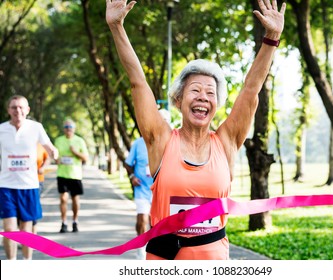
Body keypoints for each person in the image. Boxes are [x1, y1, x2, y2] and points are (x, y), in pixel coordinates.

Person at [106, 0, 285, 260]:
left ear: (216, 104)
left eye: (210, 93)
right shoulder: (161, 140)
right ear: (178, 100)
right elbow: (137, 82)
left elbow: (251, 90)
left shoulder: (226, 142)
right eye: (195, 90)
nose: (203, 97)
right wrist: (116, 27)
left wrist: (271, 39)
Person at [0, 95, 58, 260]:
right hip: (6, 186)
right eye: (13, 107)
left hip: (29, 185)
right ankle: (11, 265)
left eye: (20, 107)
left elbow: (49, 147)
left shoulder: (36, 127)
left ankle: (27, 264)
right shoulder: (1, 129)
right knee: (10, 230)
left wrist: (54, 152)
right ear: (8, 110)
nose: (17, 110)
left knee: (26, 230)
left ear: (27, 110)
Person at [124, 109, 171, 259]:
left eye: (164, 121)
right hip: (142, 189)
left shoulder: (172, 143)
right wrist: (132, 176)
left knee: (157, 224)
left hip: (162, 192)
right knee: (142, 219)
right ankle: (141, 248)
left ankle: (155, 250)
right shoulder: (139, 142)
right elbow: (128, 163)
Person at [55, 119, 88, 233]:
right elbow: (55, 156)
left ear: (74, 128)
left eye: (70, 127)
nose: (68, 129)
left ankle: (75, 221)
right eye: (66, 127)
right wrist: (57, 159)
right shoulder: (58, 140)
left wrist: (75, 152)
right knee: (63, 199)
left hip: (75, 174)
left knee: (75, 199)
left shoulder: (79, 141)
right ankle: (64, 222)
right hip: (62, 173)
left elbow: (85, 158)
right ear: (63, 128)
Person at [32, 143, 51, 234]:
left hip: (37, 181)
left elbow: (47, 158)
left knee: (33, 205)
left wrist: (43, 167)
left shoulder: (41, 145)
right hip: (20, 182)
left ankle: (33, 234)